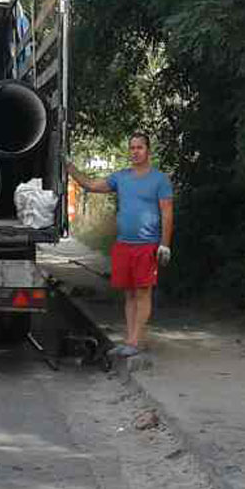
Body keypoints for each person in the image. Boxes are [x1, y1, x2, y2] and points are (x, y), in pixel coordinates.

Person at [68, 133, 174, 358]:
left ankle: (136, 341)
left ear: (148, 151)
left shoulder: (160, 180)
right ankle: (131, 340)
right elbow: (91, 185)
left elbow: (167, 213)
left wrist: (164, 244)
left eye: (140, 148)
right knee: (129, 295)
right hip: (123, 245)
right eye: (132, 148)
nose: (135, 152)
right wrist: (69, 167)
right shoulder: (121, 178)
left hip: (147, 245)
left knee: (143, 292)